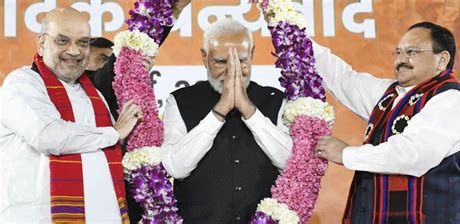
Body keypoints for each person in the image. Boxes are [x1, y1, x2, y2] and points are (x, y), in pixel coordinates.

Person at [312, 21, 460, 223]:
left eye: (411, 52)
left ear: (442, 60)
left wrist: (346, 154)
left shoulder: (451, 100)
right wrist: (288, 29)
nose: (400, 60)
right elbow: (343, 79)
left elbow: (412, 154)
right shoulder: (390, 95)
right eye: (398, 52)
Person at [0, 7, 142, 223]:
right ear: (41, 43)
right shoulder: (21, 83)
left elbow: (109, 152)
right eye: (63, 41)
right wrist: (113, 133)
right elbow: (48, 136)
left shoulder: (94, 95)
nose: (74, 51)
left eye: (83, 42)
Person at [161, 18, 293, 223]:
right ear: (205, 57)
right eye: (221, 62)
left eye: (241, 61)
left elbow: (291, 164)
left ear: (252, 54)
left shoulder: (276, 99)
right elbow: (176, 168)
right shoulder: (179, 101)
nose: (233, 71)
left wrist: (249, 110)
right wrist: (219, 111)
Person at [88, 2, 190, 223]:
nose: (110, 67)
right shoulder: (83, 88)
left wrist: (172, 12)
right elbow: (118, 65)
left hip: (130, 193)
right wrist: (171, 12)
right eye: (102, 60)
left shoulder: (125, 92)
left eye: (109, 59)